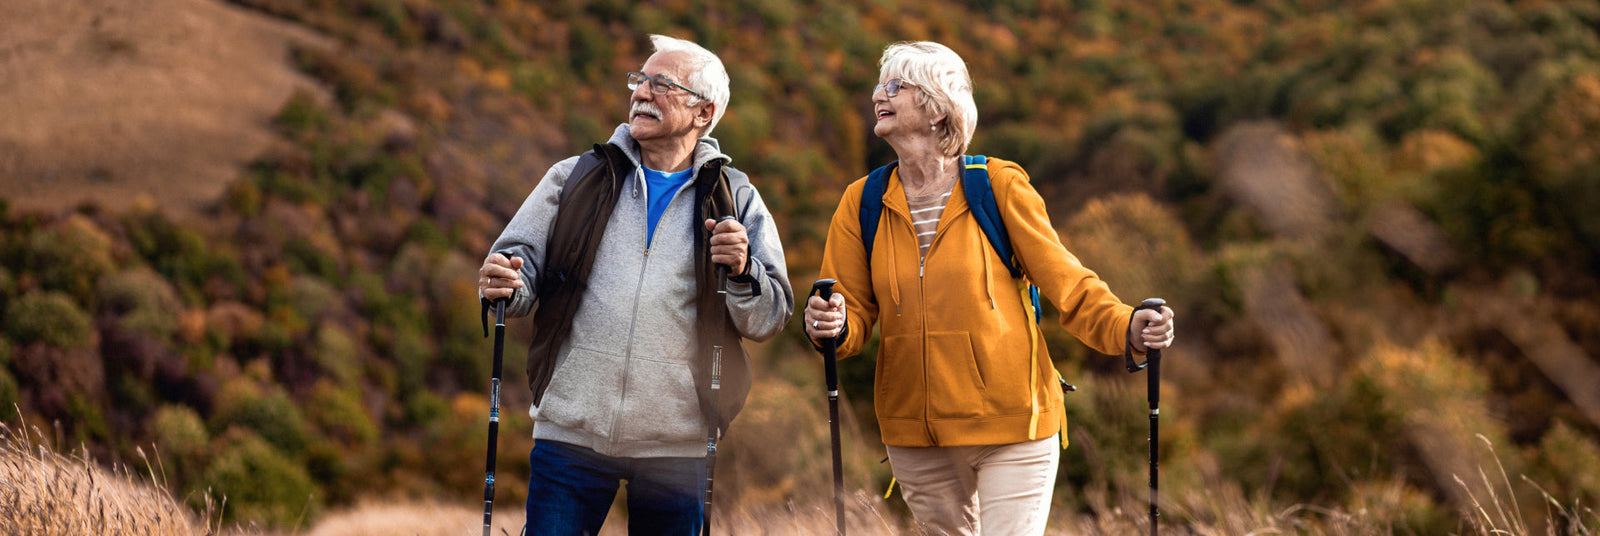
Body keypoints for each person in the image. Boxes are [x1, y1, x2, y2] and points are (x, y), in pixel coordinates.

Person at [803, 41, 1176, 535]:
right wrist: (829, 322)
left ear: (938, 107)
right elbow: (847, 317)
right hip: (915, 436)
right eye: (878, 85)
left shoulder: (998, 186)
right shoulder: (862, 201)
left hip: (1013, 426)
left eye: (896, 85)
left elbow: (1067, 282)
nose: (878, 94)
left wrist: (1126, 326)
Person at [478, 34, 794, 535]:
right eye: (639, 80)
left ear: (703, 113)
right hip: (570, 432)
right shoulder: (575, 177)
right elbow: (518, 268)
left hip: (679, 443)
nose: (641, 93)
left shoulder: (734, 198)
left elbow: (771, 315)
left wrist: (742, 271)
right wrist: (504, 282)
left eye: (661, 84)